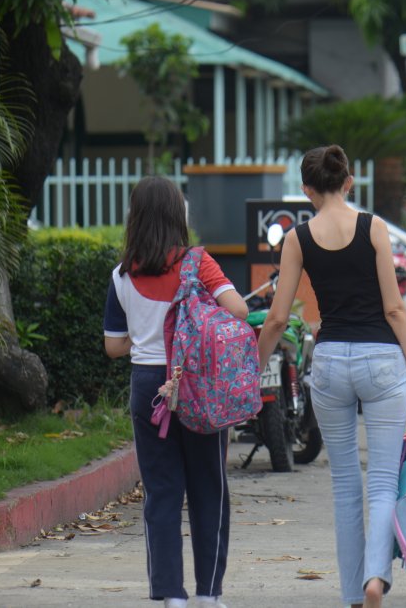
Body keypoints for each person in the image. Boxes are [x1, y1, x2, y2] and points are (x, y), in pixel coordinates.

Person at [255, 145, 406, 608]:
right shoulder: (374, 227)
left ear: (308, 190)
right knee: (384, 479)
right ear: (348, 182)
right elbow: (394, 307)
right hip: (382, 362)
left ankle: (354, 593)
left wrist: (253, 369)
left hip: (330, 362)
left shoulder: (299, 238)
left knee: (346, 482)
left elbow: (276, 318)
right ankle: (377, 577)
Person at [102, 176, 248, 608]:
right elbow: (237, 310)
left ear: (135, 218)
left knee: (161, 492)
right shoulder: (198, 263)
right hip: (197, 382)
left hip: (149, 385)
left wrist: (145, 336)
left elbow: (113, 346)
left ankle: (171, 595)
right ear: (176, 216)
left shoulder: (121, 274)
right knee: (209, 488)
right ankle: (209, 594)